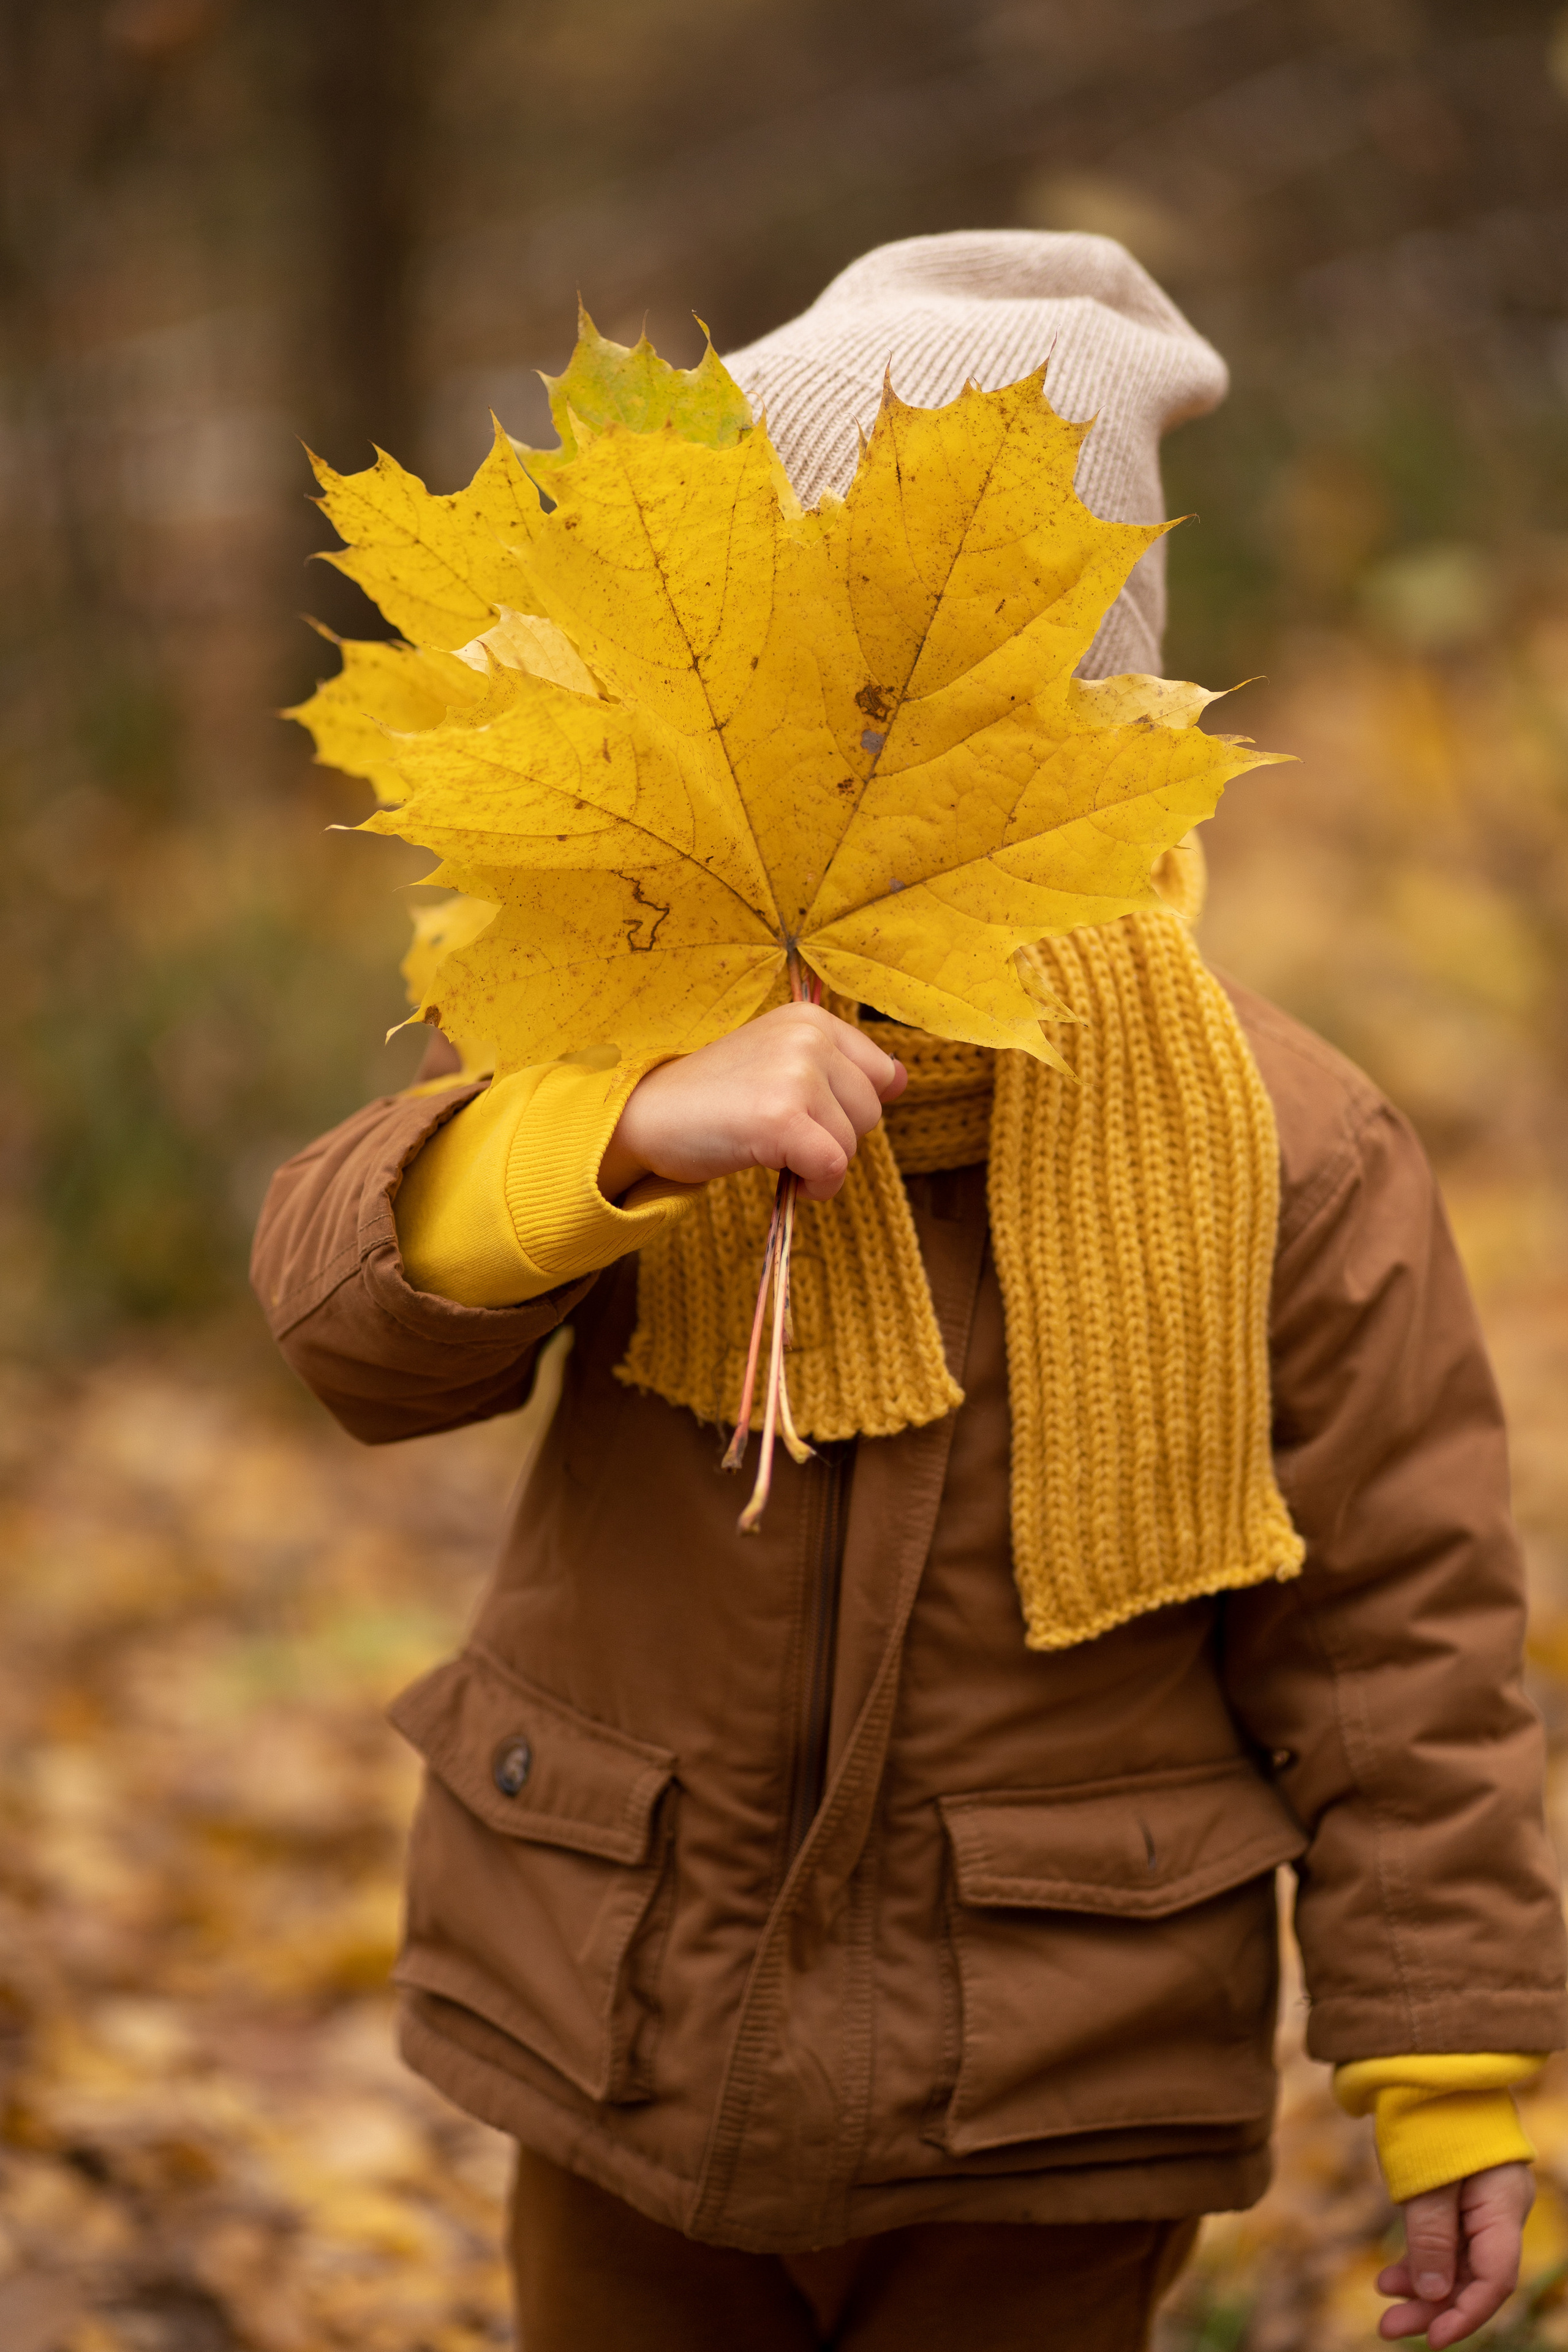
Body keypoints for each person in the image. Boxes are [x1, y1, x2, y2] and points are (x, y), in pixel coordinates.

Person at [252, 232, 1566, 2351]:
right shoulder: (626, 1020)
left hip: (1045, 2091)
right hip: (623, 2029)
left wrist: (1446, 2080)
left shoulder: (1288, 1141)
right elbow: (347, 1318)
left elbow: (1399, 1639)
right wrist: (616, 1136)